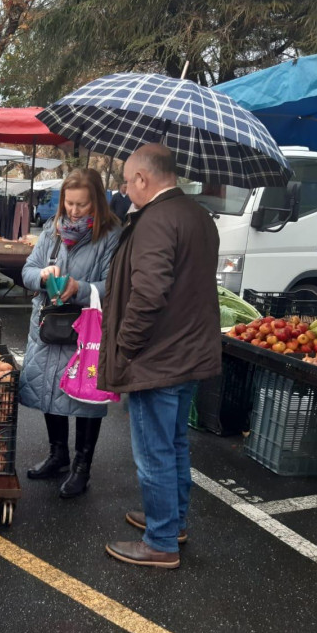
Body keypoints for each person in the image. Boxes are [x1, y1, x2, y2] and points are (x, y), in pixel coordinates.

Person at [99, 144, 221, 569]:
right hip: (188, 354)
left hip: (158, 358)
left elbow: (149, 294)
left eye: (128, 180)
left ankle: (161, 541)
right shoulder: (198, 215)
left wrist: (125, 346)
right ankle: (171, 521)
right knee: (174, 444)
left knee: (154, 452)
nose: (125, 188)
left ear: (143, 180)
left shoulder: (155, 220)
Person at [19, 169, 121, 498]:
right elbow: (27, 270)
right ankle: (58, 454)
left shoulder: (110, 235)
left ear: (97, 203)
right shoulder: (52, 229)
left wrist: (79, 288)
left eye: (82, 204)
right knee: (49, 388)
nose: (74, 211)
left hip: (85, 329)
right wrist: (42, 276)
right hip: (48, 325)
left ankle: (82, 467)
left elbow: (113, 286)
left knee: (85, 394)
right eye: (69, 203)